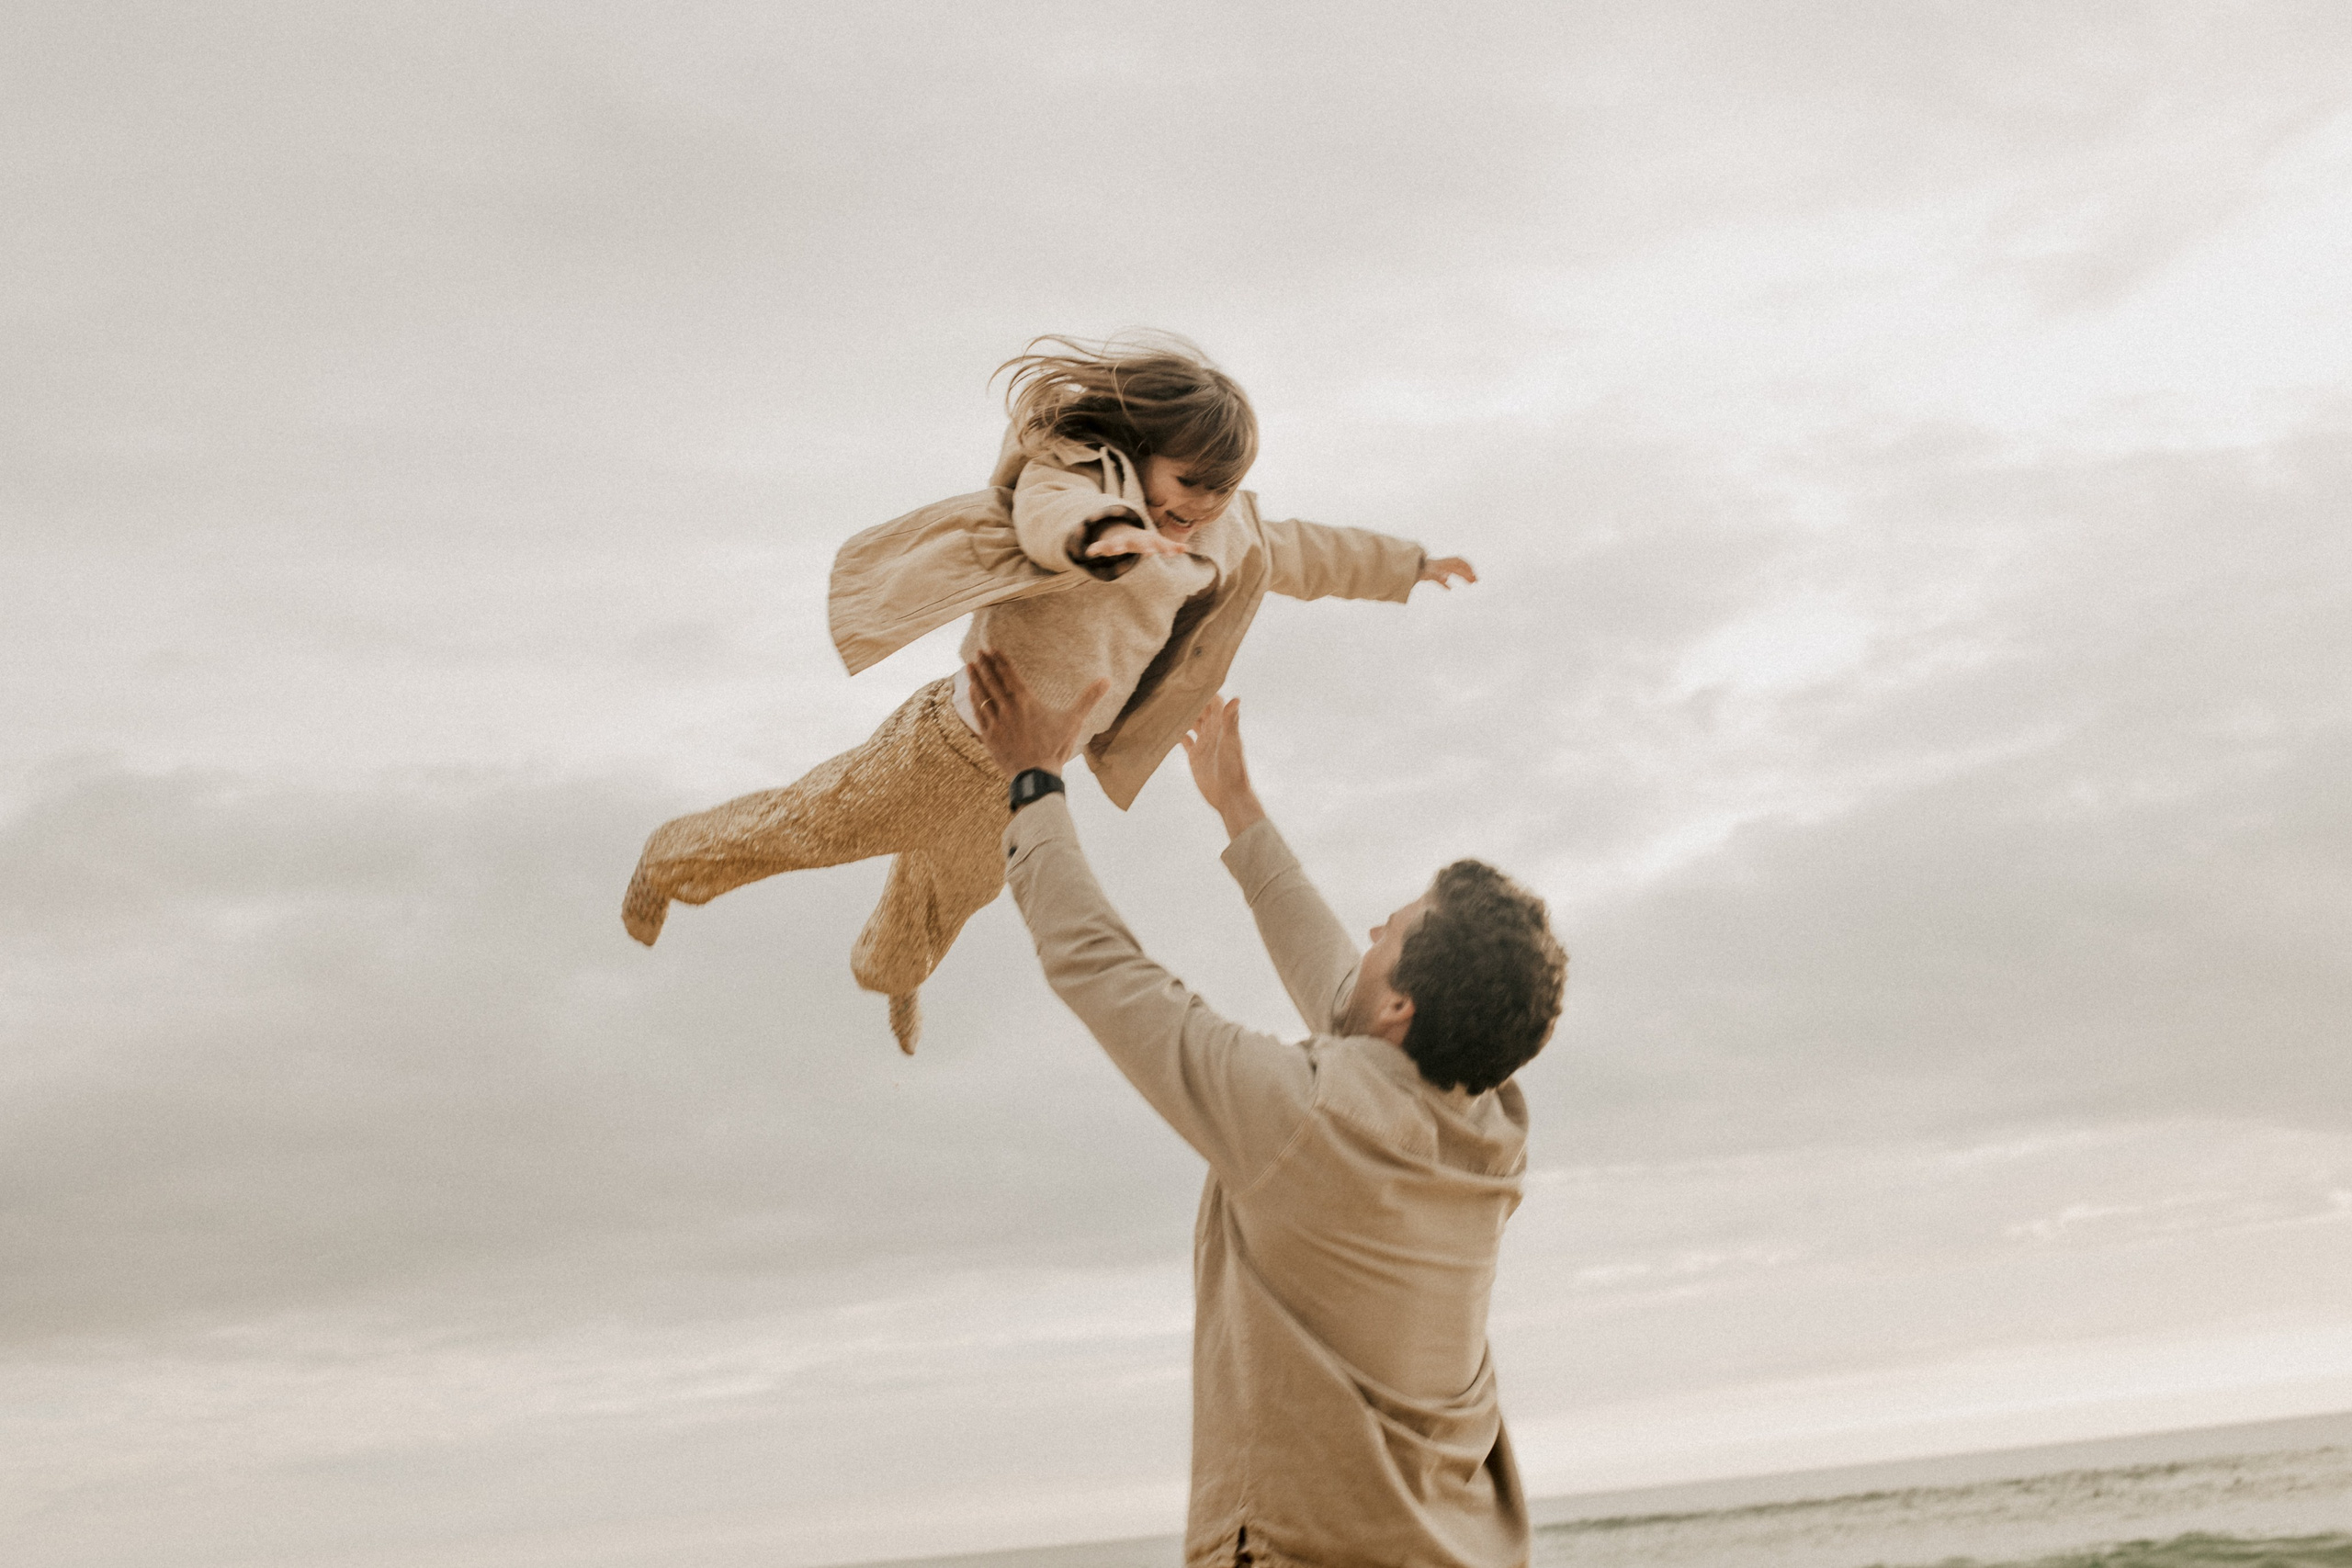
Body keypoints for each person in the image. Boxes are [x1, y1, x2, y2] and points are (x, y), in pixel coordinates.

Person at [621, 334, 1476, 1053]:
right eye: (1187, 482)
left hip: (1031, 780)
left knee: (951, 896)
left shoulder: (1222, 529)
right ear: (1141, 453)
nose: (1200, 506)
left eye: (1219, 490)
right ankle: (671, 857)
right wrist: (1100, 535)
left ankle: (892, 971)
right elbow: (1049, 509)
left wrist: (1406, 565)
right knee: (805, 826)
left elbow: (1308, 550)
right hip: (944, 745)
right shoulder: (1080, 478)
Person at [965, 647, 1567, 1568]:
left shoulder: (1299, 1119)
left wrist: (1032, 781)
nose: (1369, 930)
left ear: (1403, 1004)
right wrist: (1238, 812)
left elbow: (1097, 966)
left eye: (1392, 927)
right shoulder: (1492, 1130)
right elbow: (1347, 998)